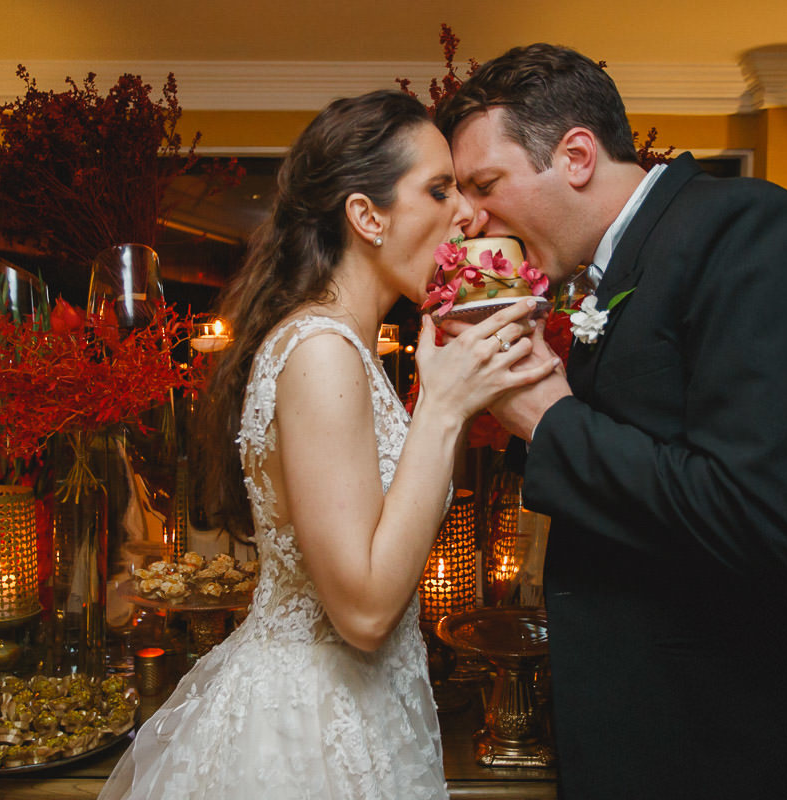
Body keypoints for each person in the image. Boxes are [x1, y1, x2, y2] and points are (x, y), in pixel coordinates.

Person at [436, 44, 787, 799]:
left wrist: (548, 417)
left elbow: (762, 517)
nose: (473, 217)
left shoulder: (748, 231)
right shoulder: (622, 268)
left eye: (485, 185)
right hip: (674, 736)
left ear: (576, 155)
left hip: (763, 746)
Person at [98, 90, 554, 800]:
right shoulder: (320, 352)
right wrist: (443, 407)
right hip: (307, 732)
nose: (468, 214)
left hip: (363, 711)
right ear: (367, 216)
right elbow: (364, 614)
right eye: (439, 190)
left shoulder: (346, 349)